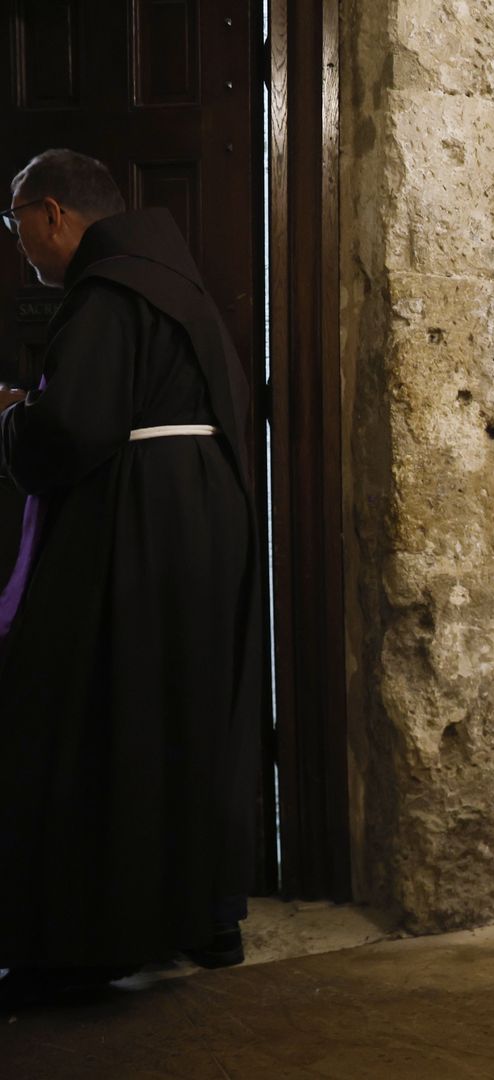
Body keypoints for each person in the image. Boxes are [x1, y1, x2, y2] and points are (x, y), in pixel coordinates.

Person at [0, 150, 263, 1005]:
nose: (20, 247)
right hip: (203, 521)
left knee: (96, 707)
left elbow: (72, 427)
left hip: (139, 527)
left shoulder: (110, 295)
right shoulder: (177, 286)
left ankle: (81, 940)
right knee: (188, 710)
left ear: (51, 215)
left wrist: (14, 421)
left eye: (16, 226)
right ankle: (205, 915)